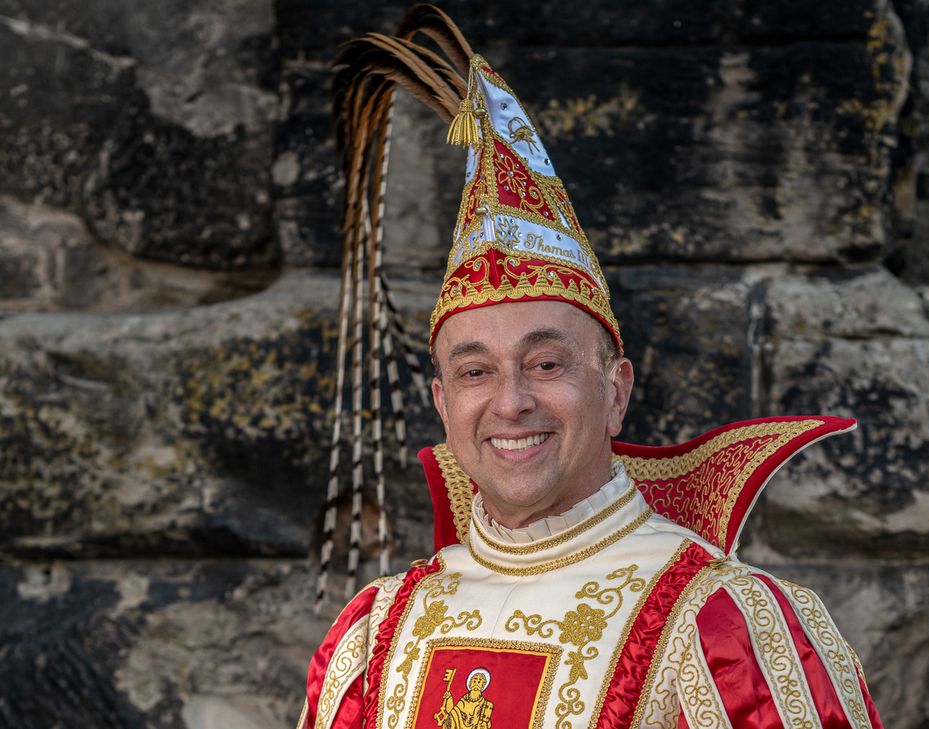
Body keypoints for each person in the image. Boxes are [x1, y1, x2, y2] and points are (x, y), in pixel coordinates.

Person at [298, 6, 884, 728]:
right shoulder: (373, 634)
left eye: (545, 363)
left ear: (615, 390)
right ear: (442, 403)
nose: (510, 401)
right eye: (475, 372)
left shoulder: (727, 625)